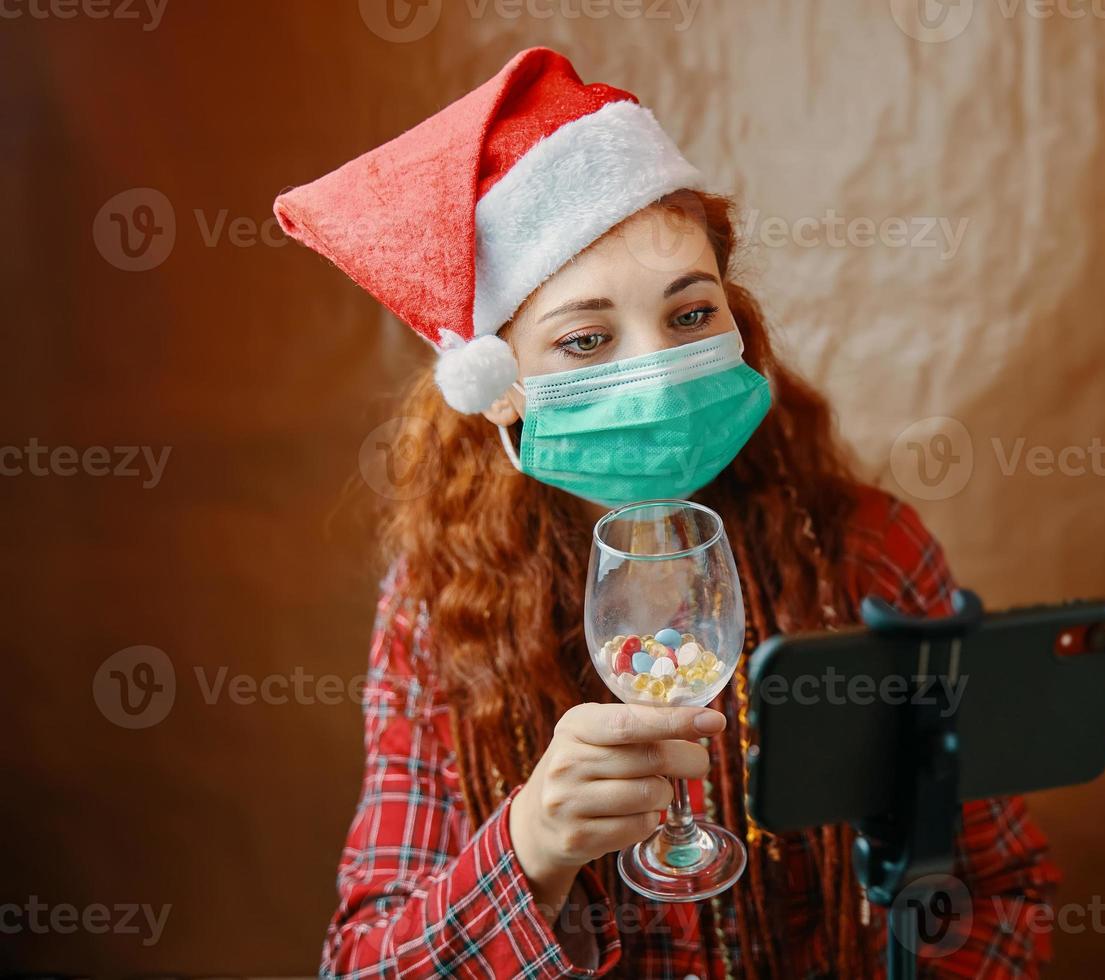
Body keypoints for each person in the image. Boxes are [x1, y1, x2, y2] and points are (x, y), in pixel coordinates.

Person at [275, 46, 1058, 980]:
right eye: (585, 339)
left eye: (688, 316)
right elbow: (359, 968)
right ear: (499, 389)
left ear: (734, 320)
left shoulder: (866, 552)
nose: (649, 369)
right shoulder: (434, 611)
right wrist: (527, 853)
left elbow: (1005, 894)